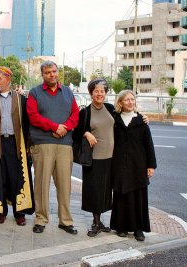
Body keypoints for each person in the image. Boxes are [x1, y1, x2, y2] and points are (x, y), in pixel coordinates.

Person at [27, 61, 79, 234]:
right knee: (42, 184)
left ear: (58, 72)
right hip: (43, 144)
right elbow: (33, 117)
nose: (52, 75)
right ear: (42, 75)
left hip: (64, 144)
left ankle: (65, 220)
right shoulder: (34, 93)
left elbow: (75, 115)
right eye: (48, 72)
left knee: (64, 185)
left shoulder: (68, 92)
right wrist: (54, 127)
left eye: (54, 71)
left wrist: (64, 128)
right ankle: (41, 219)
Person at [0, 66, 34, 226]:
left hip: (17, 145)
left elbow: (28, 125)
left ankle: (20, 213)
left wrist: (29, 146)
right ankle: (0, 212)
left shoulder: (21, 100)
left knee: (17, 177)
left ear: (8, 80)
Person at [110, 90, 157, 242]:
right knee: (121, 195)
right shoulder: (114, 119)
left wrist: (151, 165)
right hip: (119, 164)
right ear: (120, 102)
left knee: (138, 198)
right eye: (127, 100)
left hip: (138, 165)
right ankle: (121, 227)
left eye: (132, 99)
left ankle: (138, 229)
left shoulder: (141, 120)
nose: (130, 102)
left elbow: (149, 144)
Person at [72, 78, 114, 237]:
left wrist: (143, 117)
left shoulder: (110, 108)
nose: (99, 94)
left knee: (105, 191)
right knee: (94, 191)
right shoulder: (85, 112)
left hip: (110, 157)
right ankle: (96, 223)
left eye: (102, 91)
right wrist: (86, 132)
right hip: (94, 158)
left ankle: (100, 221)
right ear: (91, 93)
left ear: (105, 93)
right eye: (96, 91)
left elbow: (124, 119)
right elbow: (75, 134)